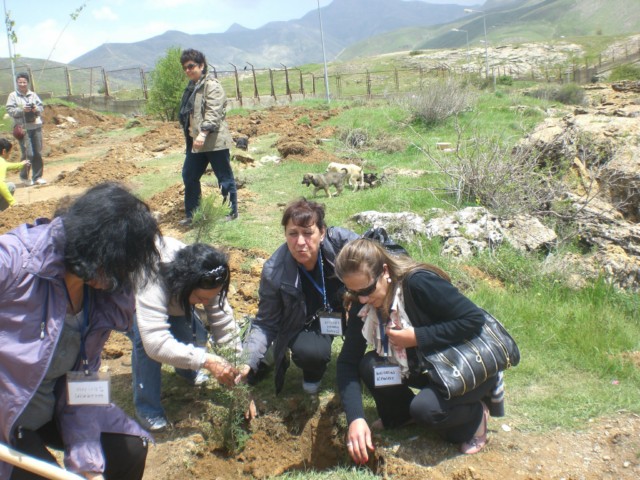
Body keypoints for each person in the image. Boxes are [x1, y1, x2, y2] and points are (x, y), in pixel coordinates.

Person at [0, 182, 161, 480]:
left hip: (50, 407)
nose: (119, 277)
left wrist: (89, 468)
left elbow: (84, 383)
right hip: (4, 417)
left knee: (129, 448)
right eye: (116, 265)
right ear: (93, 246)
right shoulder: (14, 261)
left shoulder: (98, 297)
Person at [334, 238, 503, 464]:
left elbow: (473, 320)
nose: (363, 298)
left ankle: (476, 415)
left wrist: (417, 337)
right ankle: (403, 416)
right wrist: (356, 418)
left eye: (367, 289)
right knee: (370, 366)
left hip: (461, 366)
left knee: (428, 413)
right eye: (355, 292)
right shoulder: (361, 301)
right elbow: (347, 362)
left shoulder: (418, 283)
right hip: (425, 367)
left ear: (385, 271)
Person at [237, 198, 360, 395]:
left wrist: (357, 297)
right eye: (293, 234)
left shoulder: (341, 244)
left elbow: (379, 259)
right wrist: (247, 361)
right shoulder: (274, 270)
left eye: (308, 233)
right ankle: (312, 370)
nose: (300, 242)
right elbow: (265, 323)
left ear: (322, 233)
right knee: (311, 353)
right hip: (304, 322)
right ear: (285, 234)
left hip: (344, 309)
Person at [131, 237, 241, 431]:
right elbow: (155, 343)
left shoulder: (209, 275)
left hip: (176, 303)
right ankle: (148, 409)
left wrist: (238, 375)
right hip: (133, 305)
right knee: (145, 346)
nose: (205, 303)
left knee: (193, 333)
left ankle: (187, 372)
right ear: (184, 284)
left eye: (210, 298)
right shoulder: (152, 275)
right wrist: (207, 360)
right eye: (200, 298)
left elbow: (224, 325)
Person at [178, 48, 238, 225]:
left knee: (224, 178)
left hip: (213, 141)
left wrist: (203, 134)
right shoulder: (192, 88)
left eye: (191, 66)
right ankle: (193, 215)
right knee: (189, 176)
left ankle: (231, 212)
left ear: (201, 65)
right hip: (195, 143)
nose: (188, 70)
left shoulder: (212, 86)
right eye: (185, 68)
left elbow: (213, 112)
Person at [5, 72, 46, 186]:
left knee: (37, 153)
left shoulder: (33, 94)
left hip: (36, 126)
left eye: (24, 82)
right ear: (17, 83)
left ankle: (37, 177)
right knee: (28, 154)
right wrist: (22, 109)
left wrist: (35, 108)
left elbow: (41, 108)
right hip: (23, 128)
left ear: (28, 83)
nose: (22, 84)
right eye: (20, 82)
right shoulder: (13, 96)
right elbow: (10, 110)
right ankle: (24, 176)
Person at [0, 138, 30, 211]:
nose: (9, 156)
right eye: (9, 153)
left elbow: (8, 165)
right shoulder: (1, 162)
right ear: (4, 151)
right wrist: (12, 202)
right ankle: (2, 213)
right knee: (10, 186)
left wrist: (21, 164)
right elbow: (0, 184)